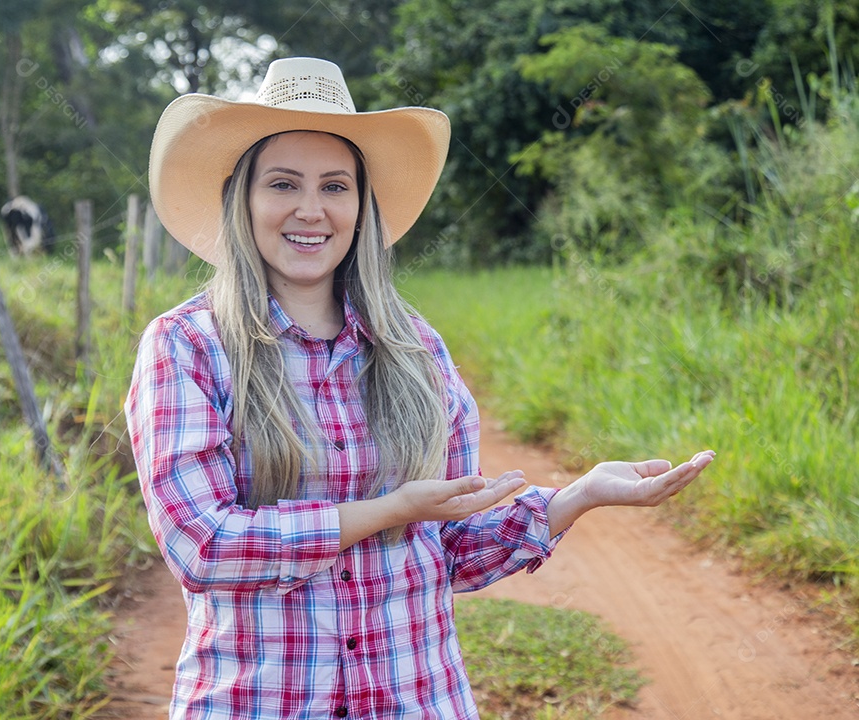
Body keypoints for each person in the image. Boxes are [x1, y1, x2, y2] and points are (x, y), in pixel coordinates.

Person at [125, 57, 715, 719]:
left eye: (336, 186)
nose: (311, 210)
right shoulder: (187, 346)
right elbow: (203, 546)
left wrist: (578, 496)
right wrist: (391, 509)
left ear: (362, 204)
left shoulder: (415, 349)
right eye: (284, 184)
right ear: (244, 197)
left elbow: (455, 548)